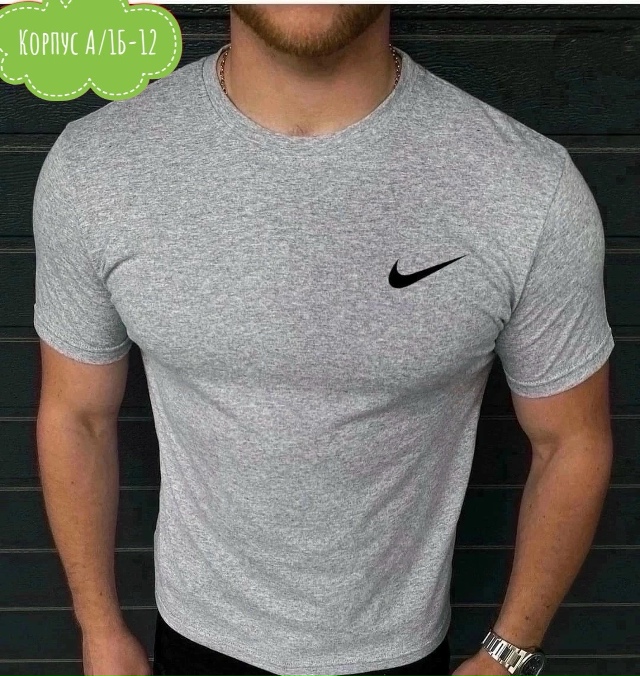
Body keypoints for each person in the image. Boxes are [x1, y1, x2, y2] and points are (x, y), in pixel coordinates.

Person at [33, 5, 615, 676]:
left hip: (401, 653)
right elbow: (77, 416)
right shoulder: (97, 168)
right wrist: (99, 629)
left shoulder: (528, 188)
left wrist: (509, 653)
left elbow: (571, 441)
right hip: (193, 640)